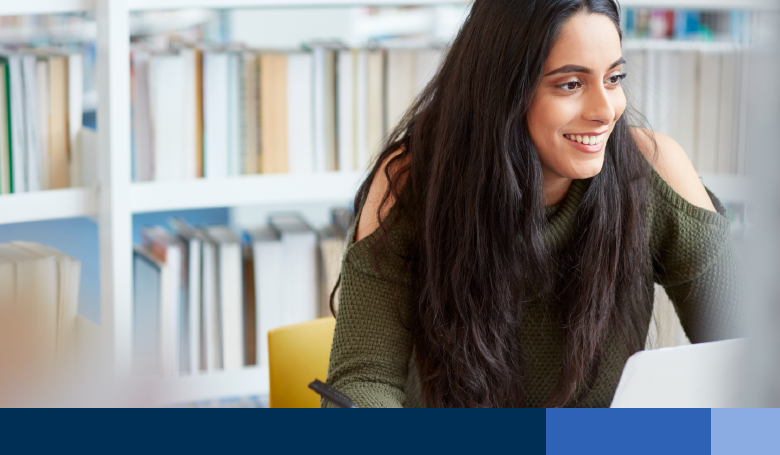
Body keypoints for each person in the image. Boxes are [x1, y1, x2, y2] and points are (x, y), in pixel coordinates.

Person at [324, 0, 744, 408]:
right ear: (503, 91)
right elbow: (363, 382)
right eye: (570, 84)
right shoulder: (411, 180)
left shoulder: (655, 170)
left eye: (614, 78)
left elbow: (747, 356)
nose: (606, 110)